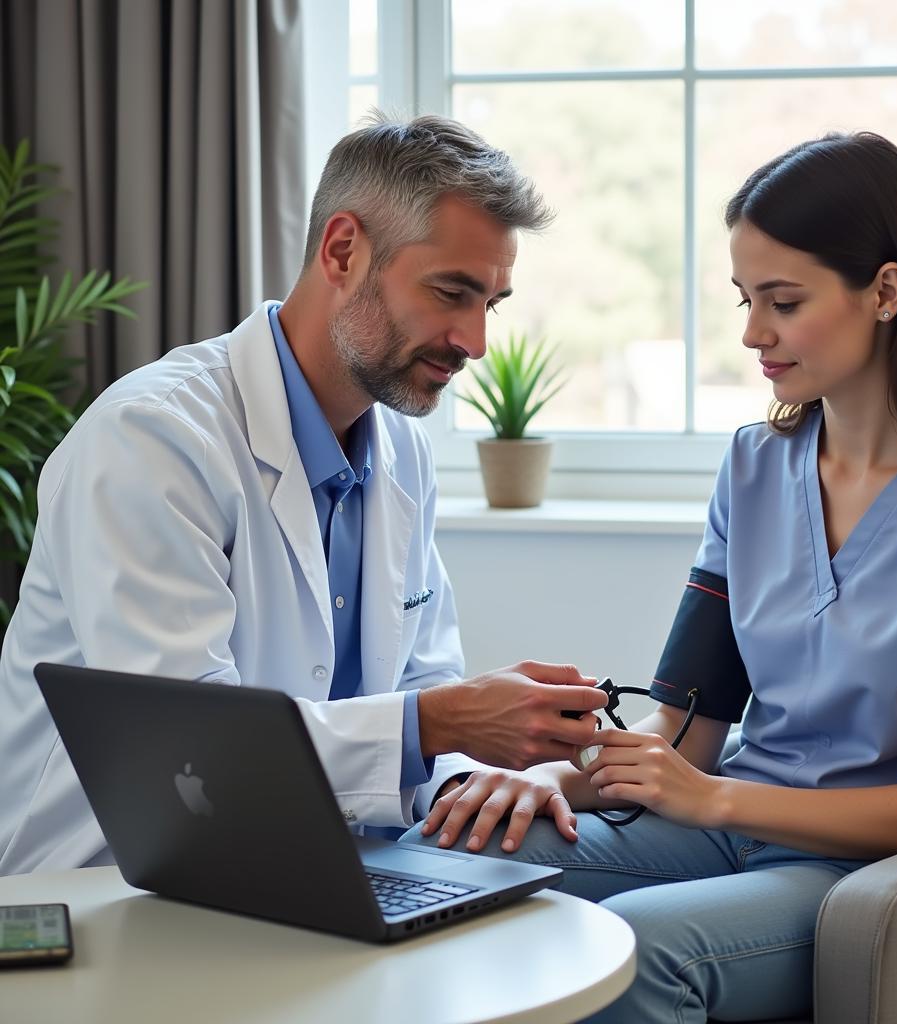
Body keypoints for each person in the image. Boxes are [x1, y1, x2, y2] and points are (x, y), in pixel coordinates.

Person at [407, 132, 897, 1023]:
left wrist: (711, 798)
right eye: (745, 299)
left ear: (886, 291)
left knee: (642, 949)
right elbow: (686, 730)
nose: (751, 334)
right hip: (725, 826)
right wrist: (553, 780)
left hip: (865, 869)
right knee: (455, 863)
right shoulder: (753, 466)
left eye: (784, 301)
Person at [0, 114, 607, 875]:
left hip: (317, 870)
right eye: (452, 292)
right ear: (343, 250)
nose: (474, 341)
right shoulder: (151, 439)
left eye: (492, 303)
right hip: (116, 885)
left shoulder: (402, 451)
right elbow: (192, 749)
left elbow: (423, 675)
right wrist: (438, 724)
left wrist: (468, 777)